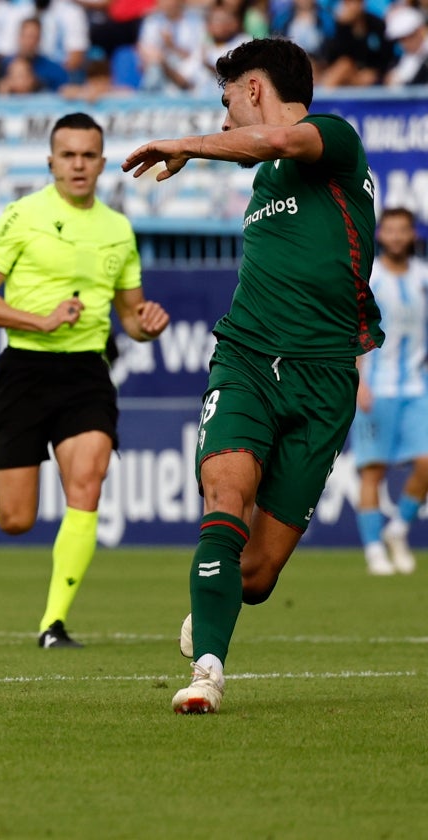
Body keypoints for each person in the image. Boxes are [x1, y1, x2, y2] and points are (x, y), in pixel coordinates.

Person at [122, 38, 383, 713]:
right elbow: (263, 150)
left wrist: (190, 142)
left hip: (325, 378)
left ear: (257, 90)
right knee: (224, 492)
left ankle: (215, 606)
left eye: (228, 99)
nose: (226, 113)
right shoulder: (267, 182)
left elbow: (273, 141)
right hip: (246, 360)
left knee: (258, 575)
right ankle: (208, 671)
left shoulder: (331, 140)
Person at [0, 112, 170, 650]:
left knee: (87, 483)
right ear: (51, 161)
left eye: (88, 155)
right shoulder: (22, 216)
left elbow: (130, 314)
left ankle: (53, 624)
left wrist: (145, 327)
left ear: (102, 162)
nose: (78, 164)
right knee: (15, 520)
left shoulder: (118, 228)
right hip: (25, 369)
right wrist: (41, 320)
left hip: (87, 373)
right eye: (68, 155)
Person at [351, 207, 428, 576]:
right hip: (376, 388)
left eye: (404, 230)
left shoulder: (423, 277)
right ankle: (373, 550)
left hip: (417, 386)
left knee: (426, 464)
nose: (397, 237)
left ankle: (397, 530)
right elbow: (353, 328)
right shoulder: (371, 277)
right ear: (380, 235)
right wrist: (359, 381)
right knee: (373, 471)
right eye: (391, 230)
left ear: (413, 235)